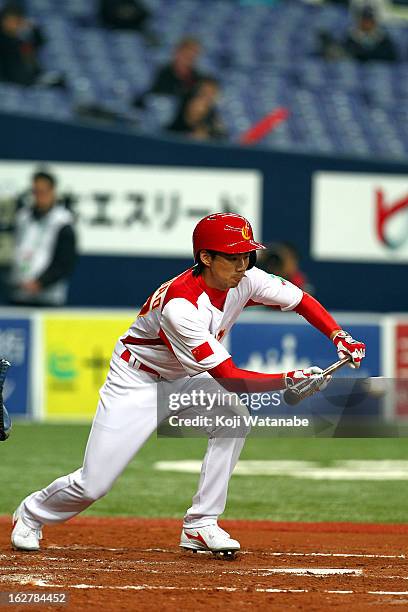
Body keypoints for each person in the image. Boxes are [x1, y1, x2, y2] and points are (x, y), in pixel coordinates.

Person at [11, 213, 365, 554]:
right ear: (206, 257)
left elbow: (300, 300)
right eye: (232, 257)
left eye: (247, 254)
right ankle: (30, 514)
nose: (243, 265)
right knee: (94, 484)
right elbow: (229, 379)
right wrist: (289, 379)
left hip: (185, 377)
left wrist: (338, 335)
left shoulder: (247, 277)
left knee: (234, 419)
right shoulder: (181, 306)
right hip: (137, 380)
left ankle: (201, 523)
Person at [8, 170, 76, 307]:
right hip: (19, 294)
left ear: (53, 191)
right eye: (36, 192)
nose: (39, 196)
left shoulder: (62, 221)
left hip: (48, 298)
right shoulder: (22, 217)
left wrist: (41, 282)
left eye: (43, 192)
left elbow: (65, 261)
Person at [134, 37, 204, 107]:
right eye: (186, 54)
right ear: (177, 53)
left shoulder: (197, 77)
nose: (189, 58)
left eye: (193, 55)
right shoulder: (163, 73)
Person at [0, 3, 45, 86]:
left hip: (27, 81)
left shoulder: (22, 40)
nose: (14, 25)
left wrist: (34, 30)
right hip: (9, 83)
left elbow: (39, 44)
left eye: (17, 21)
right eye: (11, 21)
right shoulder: (2, 41)